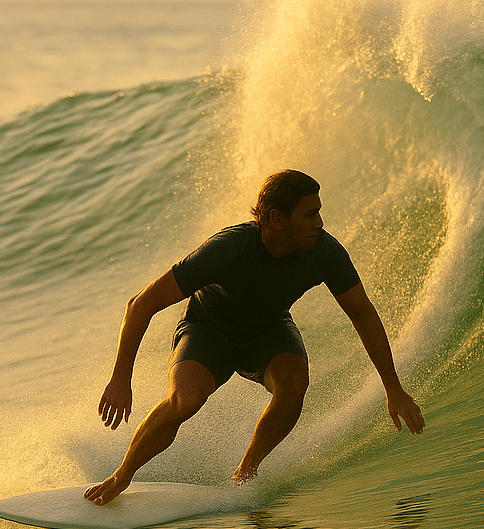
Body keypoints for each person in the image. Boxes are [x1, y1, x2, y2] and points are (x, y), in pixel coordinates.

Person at [85, 169, 425, 505]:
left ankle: (244, 475)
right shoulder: (228, 248)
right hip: (208, 331)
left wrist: (393, 388)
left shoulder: (324, 252)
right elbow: (141, 303)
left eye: (319, 212)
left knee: (294, 384)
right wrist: (119, 378)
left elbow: (362, 313)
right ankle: (122, 475)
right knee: (185, 399)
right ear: (277, 218)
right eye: (309, 214)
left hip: (268, 331)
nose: (319, 223)